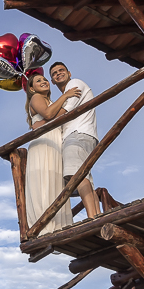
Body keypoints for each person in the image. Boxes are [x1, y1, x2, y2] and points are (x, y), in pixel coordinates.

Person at [23, 73, 80, 233]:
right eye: (38, 81)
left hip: (54, 141)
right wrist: (66, 95)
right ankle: (44, 225)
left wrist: (45, 121)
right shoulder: (36, 98)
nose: (44, 81)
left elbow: (56, 116)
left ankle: (58, 224)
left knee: (55, 180)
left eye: (44, 79)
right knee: (45, 179)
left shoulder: (50, 102)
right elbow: (49, 114)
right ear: (32, 88)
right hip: (44, 143)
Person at [49, 62, 101, 218]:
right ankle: (97, 215)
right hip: (83, 135)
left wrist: (47, 118)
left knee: (76, 176)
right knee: (84, 177)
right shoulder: (65, 95)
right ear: (52, 80)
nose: (58, 74)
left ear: (69, 73)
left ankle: (92, 217)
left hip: (78, 134)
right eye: (54, 73)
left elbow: (65, 114)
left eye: (61, 71)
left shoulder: (75, 84)